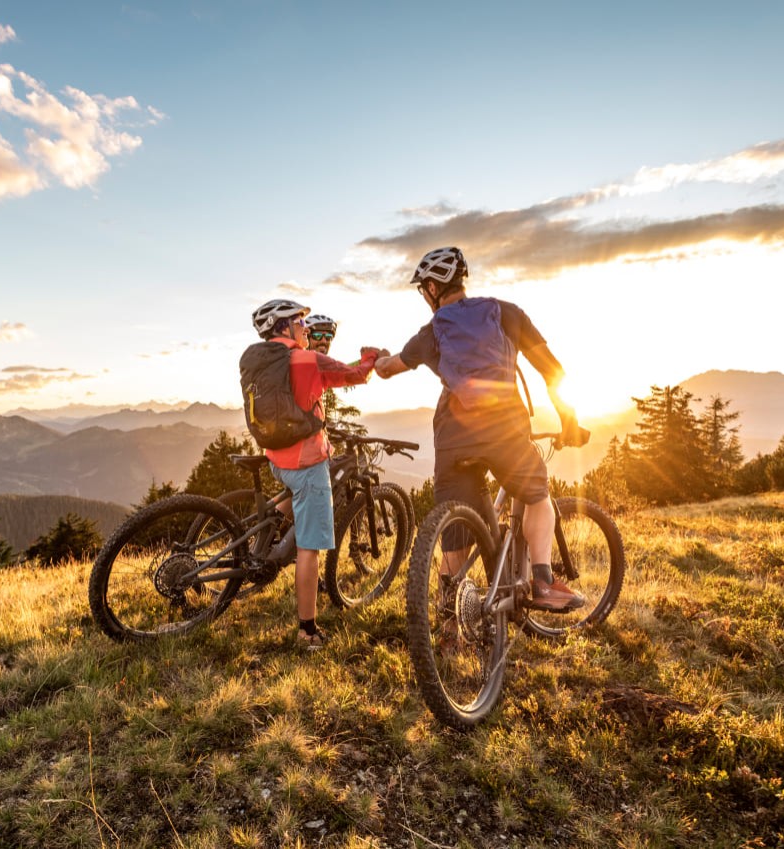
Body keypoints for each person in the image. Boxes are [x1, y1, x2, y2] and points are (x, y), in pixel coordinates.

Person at [373, 247, 589, 612]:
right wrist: (568, 419)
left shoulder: (431, 332)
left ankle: (447, 624)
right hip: (504, 430)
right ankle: (542, 581)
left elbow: (389, 367)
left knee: (455, 538)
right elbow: (552, 370)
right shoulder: (507, 313)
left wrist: (377, 358)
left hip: (453, 438)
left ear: (431, 287)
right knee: (537, 495)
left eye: (423, 290)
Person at [247, 299, 381, 649]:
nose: (304, 328)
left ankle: (265, 534)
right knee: (309, 549)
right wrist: (370, 356)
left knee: (295, 494)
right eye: (299, 322)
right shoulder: (308, 359)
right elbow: (352, 374)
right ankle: (308, 631)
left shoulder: (262, 361)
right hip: (306, 463)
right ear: (283, 327)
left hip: (276, 457)